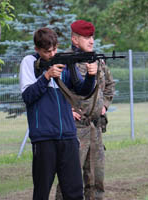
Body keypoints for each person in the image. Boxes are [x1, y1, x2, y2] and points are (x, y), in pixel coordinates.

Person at [19, 27, 97, 200]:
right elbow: (28, 96)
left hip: (68, 136)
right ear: (37, 49)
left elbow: (82, 90)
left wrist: (91, 76)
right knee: (42, 192)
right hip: (44, 138)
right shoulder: (29, 62)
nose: (52, 54)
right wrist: (46, 76)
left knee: (75, 192)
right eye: (47, 52)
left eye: (55, 49)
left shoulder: (64, 61)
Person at [55, 20, 115, 200]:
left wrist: (104, 105)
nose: (91, 41)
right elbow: (56, 91)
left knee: (97, 180)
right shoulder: (64, 62)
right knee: (70, 180)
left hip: (95, 129)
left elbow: (109, 85)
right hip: (74, 128)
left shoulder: (97, 60)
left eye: (92, 37)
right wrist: (66, 111)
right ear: (75, 39)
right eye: (86, 37)